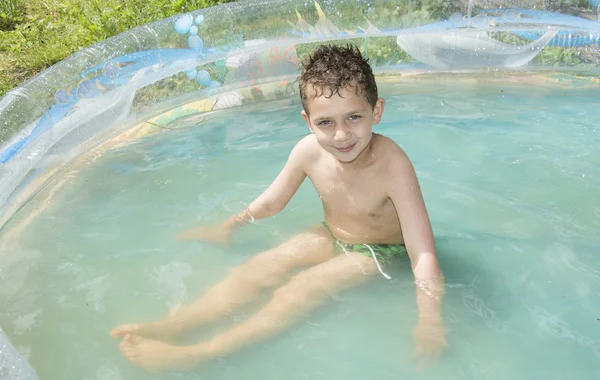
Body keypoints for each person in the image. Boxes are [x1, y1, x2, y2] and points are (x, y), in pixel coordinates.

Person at [111, 44, 446, 371]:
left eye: (354, 117)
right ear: (307, 121)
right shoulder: (308, 152)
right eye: (325, 122)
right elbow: (273, 200)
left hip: (379, 251)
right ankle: (175, 325)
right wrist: (231, 225)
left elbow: (423, 252)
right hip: (330, 234)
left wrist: (430, 319)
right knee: (261, 265)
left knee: (302, 288)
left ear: (377, 111)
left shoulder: (392, 164)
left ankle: (200, 352)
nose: (342, 134)